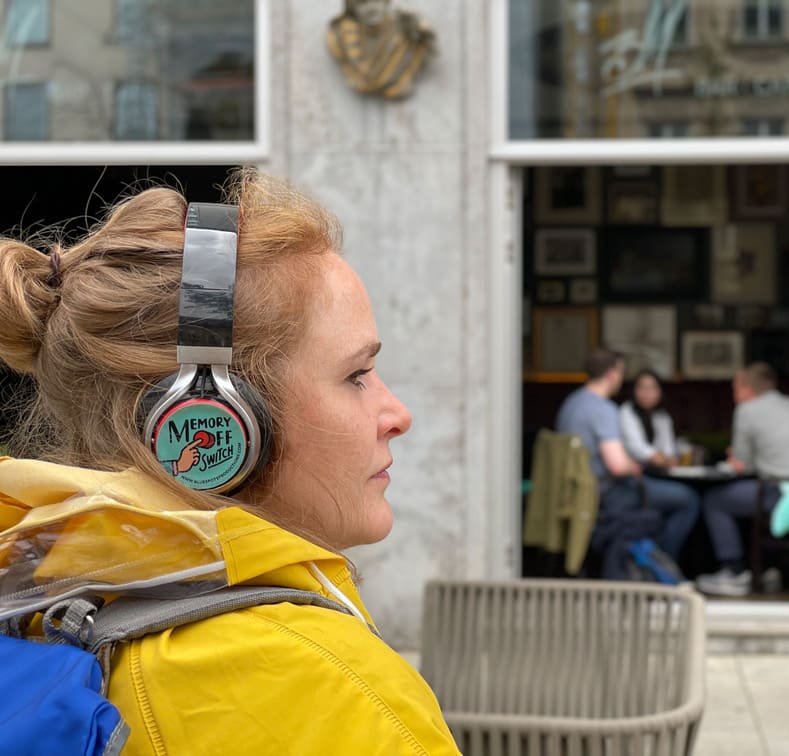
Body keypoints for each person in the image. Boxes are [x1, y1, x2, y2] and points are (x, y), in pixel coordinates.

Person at [0, 169, 460, 754]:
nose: (398, 414)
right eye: (357, 376)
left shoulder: (36, 608)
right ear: (215, 419)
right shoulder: (319, 682)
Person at [555, 349, 700, 579]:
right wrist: (634, 465)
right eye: (621, 373)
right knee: (688, 500)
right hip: (604, 494)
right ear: (613, 374)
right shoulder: (603, 409)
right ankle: (660, 566)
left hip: (574, 493)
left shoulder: (571, 404)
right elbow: (616, 466)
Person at [696, 363, 789, 597]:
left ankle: (733, 572)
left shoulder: (747, 410)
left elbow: (742, 466)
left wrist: (737, 458)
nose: (734, 397)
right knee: (746, 497)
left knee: (716, 500)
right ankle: (765, 568)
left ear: (747, 390)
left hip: (784, 494)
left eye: (735, 390)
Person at [326, 0, 436, 99]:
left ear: (386, 2)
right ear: (352, 9)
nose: (371, 7)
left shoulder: (407, 29)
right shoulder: (341, 36)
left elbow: (428, 46)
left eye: (376, 0)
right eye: (363, 3)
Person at [619, 368, 677, 470]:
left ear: (659, 391)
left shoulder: (662, 416)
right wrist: (658, 458)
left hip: (659, 471)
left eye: (652, 388)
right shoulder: (627, 411)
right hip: (633, 473)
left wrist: (666, 459)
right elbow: (636, 448)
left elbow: (670, 452)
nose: (647, 393)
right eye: (642, 387)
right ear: (634, 390)